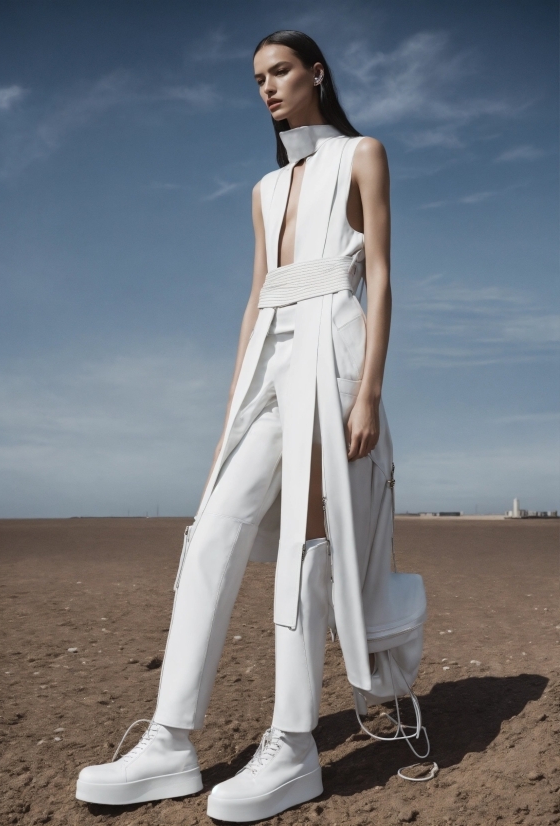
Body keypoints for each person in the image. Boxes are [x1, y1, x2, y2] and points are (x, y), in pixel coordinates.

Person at [76, 29, 400, 822]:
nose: (267, 86)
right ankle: (169, 739)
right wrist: (230, 411)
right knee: (213, 529)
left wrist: (366, 393)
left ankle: (292, 747)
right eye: (257, 77)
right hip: (267, 362)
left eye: (280, 70)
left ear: (315, 73)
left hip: (333, 351)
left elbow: (383, 274)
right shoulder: (262, 189)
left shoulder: (362, 154)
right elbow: (256, 297)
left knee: (304, 541)